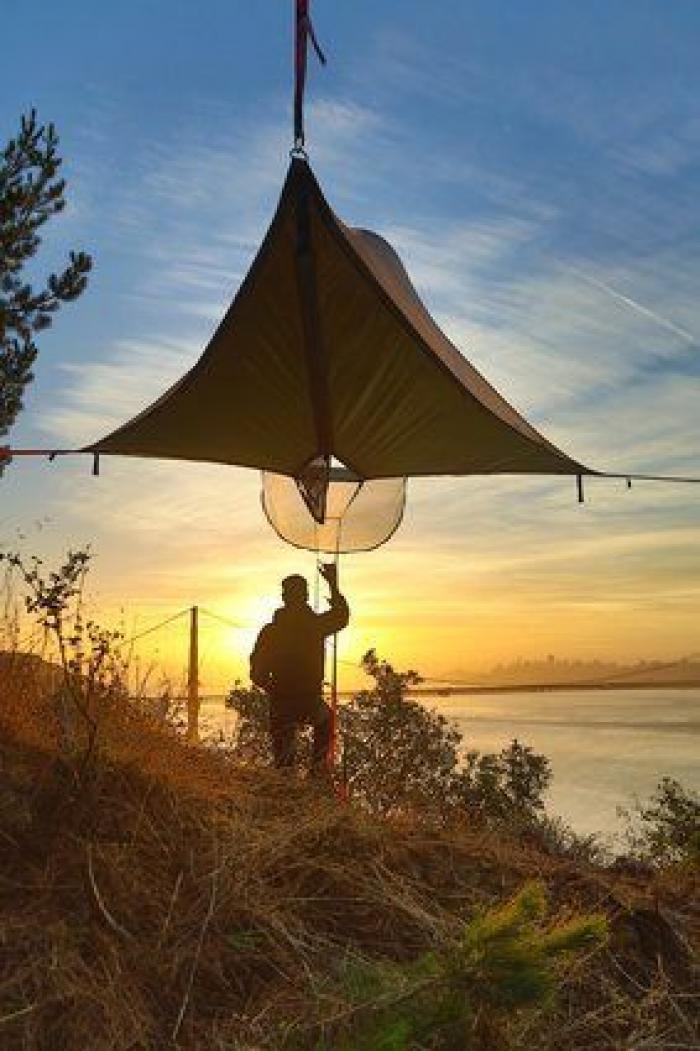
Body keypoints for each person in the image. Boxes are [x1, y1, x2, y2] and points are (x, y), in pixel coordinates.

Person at [250, 564, 349, 772]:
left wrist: (273, 688)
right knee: (327, 722)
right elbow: (341, 616)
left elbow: (256, 672)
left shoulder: (270, 632)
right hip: (308, 699)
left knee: (283, 764)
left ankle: (292, 785)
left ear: (284, 597)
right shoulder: (314, 626)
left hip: (280, 702)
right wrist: (332, 584)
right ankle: (318, 772)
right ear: (305, 596)